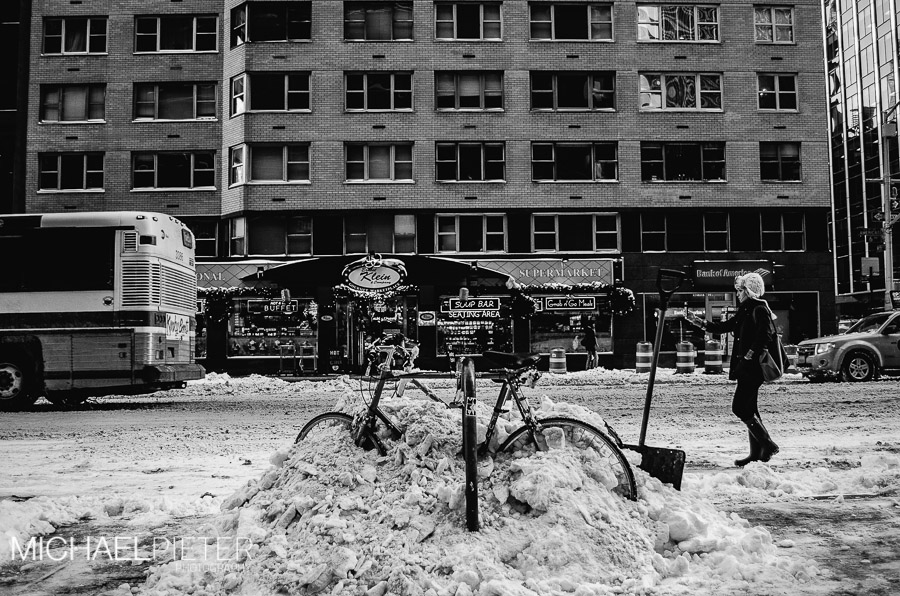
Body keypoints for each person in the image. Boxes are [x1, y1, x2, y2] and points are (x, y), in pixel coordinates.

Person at [684, 272, 780, 467]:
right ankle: (756, 453)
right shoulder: (746, 309)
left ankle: (768, 445)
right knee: (750, 408)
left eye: (740, 290)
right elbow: (724, 326)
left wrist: (749, 354)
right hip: (745, 366)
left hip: (752, 367)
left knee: (739, 407)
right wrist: (699, 322)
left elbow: (765, 336)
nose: (737, 294)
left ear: (749, 291)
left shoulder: (759, 308)